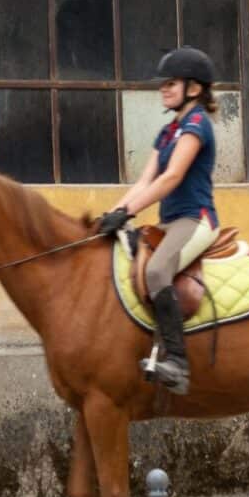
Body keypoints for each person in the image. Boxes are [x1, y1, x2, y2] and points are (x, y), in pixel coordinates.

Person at [94, 47, 220, 392]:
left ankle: (178, 364)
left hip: (196, 220)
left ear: (193, 89)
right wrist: (114, 213)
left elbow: (171, 178)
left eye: (171, 83)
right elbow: (145, 181)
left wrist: (128, 212)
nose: (163, 89)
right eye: (163, 84)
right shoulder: (166, 132)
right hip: (167, 224)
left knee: (155, 270)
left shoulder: (197, 125)